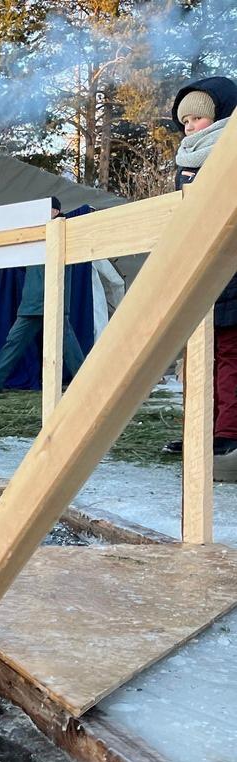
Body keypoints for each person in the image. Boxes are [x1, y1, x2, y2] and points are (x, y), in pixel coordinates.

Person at [160, 77, 237, 480]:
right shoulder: (186, 162)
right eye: (185, 121)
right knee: (198, 358)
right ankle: (199, 430)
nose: (189, 127)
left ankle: (227, 433)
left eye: (197, 118)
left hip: (231, 269)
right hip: (197, 269)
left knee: (228, 354)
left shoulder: (231, 150)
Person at [0, 198, 86, 392]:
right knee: (17, 341)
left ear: (55, 212)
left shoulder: (64, 232)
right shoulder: (37, 234)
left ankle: (85, 381)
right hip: (33, 301)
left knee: (65, 344)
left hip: (51, 298)